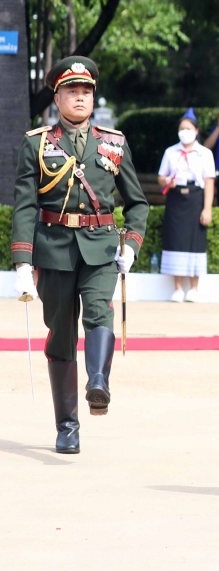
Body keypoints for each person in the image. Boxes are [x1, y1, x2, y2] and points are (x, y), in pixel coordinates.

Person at [11, 56, 149, 454]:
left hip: (101, 246)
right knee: (61, 335)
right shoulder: (36, 143)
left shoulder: (113, 142)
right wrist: (22, 261)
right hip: (53, 249)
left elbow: (137, 203)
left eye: (86, 91)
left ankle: (98, 383)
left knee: (99, 313)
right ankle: (67, 426)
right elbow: (23, 205)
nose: (80, 97)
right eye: (71, 91)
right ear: (57, 97)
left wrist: (131, 246)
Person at [157, 108, 217, 302]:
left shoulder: (205, 153)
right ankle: (177, 288)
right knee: (175, 239)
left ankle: (193, 288)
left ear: (196, 131)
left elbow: (209, 182)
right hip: (176, 198)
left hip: (195, 198)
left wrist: (207, 208)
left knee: (195, 241)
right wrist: (167, 181)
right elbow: (160, 177)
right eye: (182, 128)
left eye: (188, 128)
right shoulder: (170, 152)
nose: (185, 132)